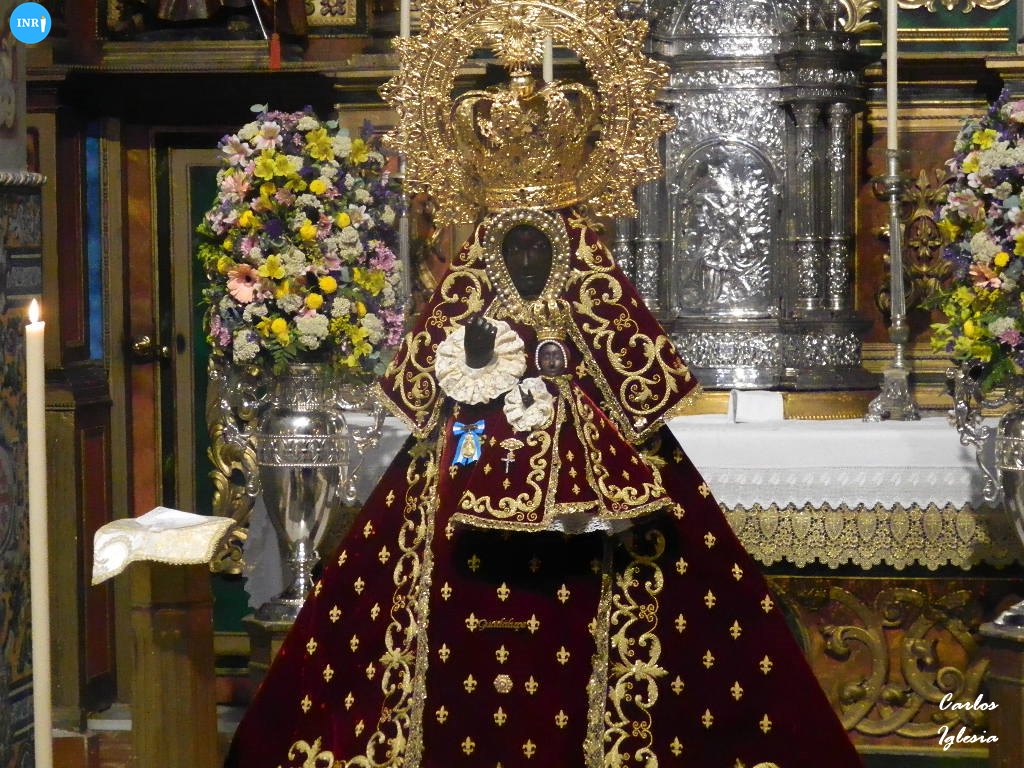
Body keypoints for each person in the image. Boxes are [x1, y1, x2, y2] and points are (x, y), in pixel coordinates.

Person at [225, 207, 864, 768]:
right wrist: (474, 357)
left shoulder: (589, 305)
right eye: (516, 249)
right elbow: (424, 386)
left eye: (540, 248)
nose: (528, 261)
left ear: (565, 253)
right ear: (494, 257)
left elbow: (645, 382)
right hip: (467, 478)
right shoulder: (475, 313)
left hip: (593, 507)